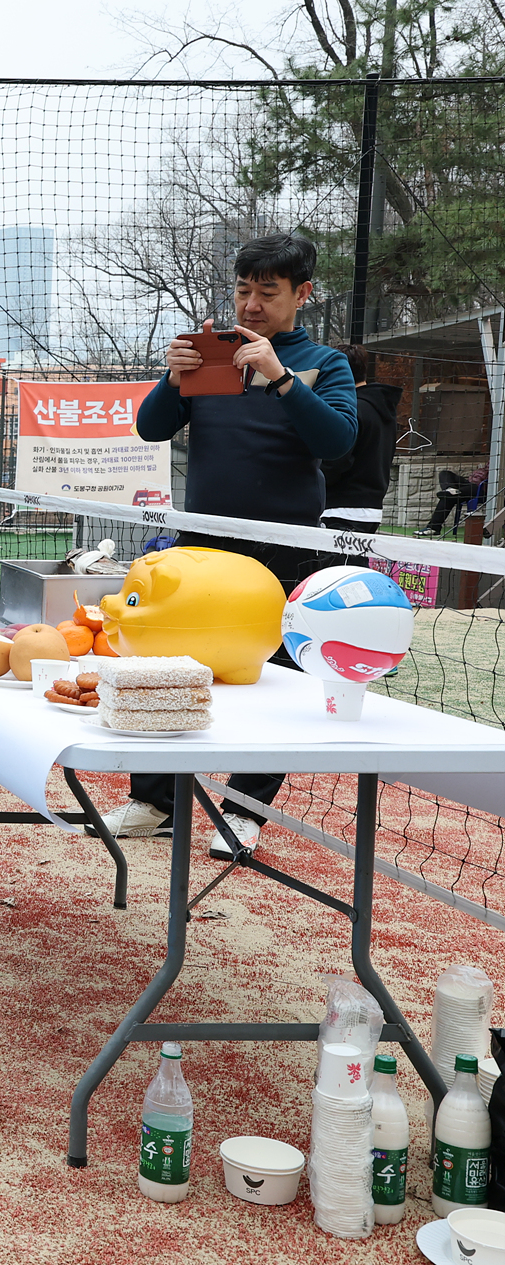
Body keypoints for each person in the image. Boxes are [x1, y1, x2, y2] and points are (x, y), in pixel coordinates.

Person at [102, 231, 357, 859]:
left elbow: (337, 443)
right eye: (243, 290)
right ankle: (155, 802)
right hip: (202, 547)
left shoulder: (324, 362)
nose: (251, 305)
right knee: (168, 666)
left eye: (267, 292)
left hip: (283, 549)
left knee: (275, 679)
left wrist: (280, 377)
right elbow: (150, 427)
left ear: (303, 293)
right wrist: (172, 379)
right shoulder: (211, 354)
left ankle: (244, 810)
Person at [324, 346, 400, 535]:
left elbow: (336, 461)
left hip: (340, 509)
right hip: (369, 511)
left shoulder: (351, 409)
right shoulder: (382, 408)